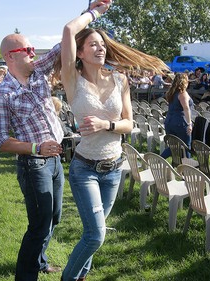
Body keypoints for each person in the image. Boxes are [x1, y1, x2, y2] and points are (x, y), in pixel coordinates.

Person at [58, 0, 168, 280]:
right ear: (80, 53)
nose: (101, 48)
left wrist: (106, 124)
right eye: (93, 44)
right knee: (96, 235)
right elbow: (69, 30)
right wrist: (94, 13)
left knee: (95, 233)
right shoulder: (72, 78)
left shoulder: (120, 80)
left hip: (113, 169)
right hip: (85, 169)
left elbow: (129, 124)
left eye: (102, 45)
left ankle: (80, 275)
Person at [0, 33, 64, 281]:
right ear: (11, 56)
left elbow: (63, 44)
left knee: (54, 217)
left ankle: (40, 261)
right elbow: (0, 140)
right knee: (39, 224)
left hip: (54, 162)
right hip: (35, 164)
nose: (34, 52)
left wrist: (92, 13)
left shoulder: (39, 73)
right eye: (28, 49)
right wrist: (36, 148)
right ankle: (25, 276)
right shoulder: (3, 94)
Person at [160, 73, 193, 159]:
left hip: (169, 122)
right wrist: (189, 124)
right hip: (180, 122)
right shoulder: (182, 94)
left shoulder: (172, 93)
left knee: (173, 147)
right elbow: (186, 108)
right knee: (186, 147)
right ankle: (188, 168)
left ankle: (159, 160)